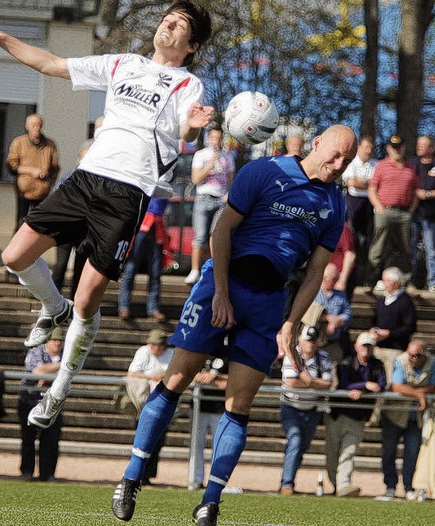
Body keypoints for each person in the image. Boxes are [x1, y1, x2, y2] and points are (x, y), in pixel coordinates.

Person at [0, 0, 215, 438]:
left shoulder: (187, 84)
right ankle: (52, 307)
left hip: (127, 193)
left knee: (88, 300)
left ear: (191, 44)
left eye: (179, 24)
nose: (167, 25)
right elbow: (51, 63)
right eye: (166, 18)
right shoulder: (123, 63)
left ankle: (59, 387)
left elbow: (184, 134)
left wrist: (194, 129)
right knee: (14, 255)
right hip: (85, 181)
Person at [112, 123, 356, 525]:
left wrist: (290, 323)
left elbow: (315, 273)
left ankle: (210, 502)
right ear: (317, 144)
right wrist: (221, 293)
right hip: (221, 284)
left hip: (268, 302)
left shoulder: (334, 203)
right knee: (175, 381)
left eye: (347, 159)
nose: (339, 163)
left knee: (239, 403)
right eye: (335, 153)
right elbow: (221, 229)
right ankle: (132, 477)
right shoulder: (265, 172)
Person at [376, 339, 435, 501]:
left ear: (424, 355)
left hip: (416, 417)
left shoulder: (433, 362)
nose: (412, 359)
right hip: (395, 414)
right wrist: (419, 394)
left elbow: (434, 386)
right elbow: (397, 386)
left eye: (416, 356)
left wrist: (413, 391)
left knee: (412, 454)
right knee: (389, 452)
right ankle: (390, 486)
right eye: (410, 355)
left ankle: (409, 487)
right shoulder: (400, 360)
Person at [325, 332, 386, 498]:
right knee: (332, 454)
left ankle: (344, 485)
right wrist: (364, 384)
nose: (367, 349)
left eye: (370, 345)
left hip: (358, 416)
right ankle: (336, 484)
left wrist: (362, 389)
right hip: (337, 414)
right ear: (357, 347)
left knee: (349, 451)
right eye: (364, 345)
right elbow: (344, 384)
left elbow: (381, 384)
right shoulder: (345, 363)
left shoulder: (377, 365)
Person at [279, 325, 332, 495]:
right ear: (301, 340)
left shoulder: (322, 357)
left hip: (311, 408)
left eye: (313, 340)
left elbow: (328, 384)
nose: (310, 343)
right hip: (291, 407)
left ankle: (288, 478)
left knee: (301, 446)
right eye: (308, 340)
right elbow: (291, 383)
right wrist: (314, 383)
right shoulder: (292, 353)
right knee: (294, 439)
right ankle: (287, 484)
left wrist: (307, 380)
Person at [185, 126, 236, 286]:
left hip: (220, 200)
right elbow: (195, 179)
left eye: (219, 138)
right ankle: (194, 270)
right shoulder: (201, 155)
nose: (216, 141)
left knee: (217, 237)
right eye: (214, 138)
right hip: (204, 198)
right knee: (200, 236)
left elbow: (231, 180)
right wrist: (210, 165)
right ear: (209, 138)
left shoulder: (228, 157)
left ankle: (215, 270)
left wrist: (229, 194)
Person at [127, 329, 175, 485]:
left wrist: (164, 375)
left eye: (157, 345)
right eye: (152, 344)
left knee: (159, 439)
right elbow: (132, 373)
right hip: (144, 401)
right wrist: (151, 376)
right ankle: (139, 472)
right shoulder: (143, 352)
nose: (153, 347)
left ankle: (147, 473)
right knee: (142, 438)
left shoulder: (171, 354)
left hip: (162, 401)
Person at [367, 135, 418, 282]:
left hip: (404, 212)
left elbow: (416, 191)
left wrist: (411, 210)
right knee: (379, 245)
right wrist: (379, 207)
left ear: (403, 148)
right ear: (389, 149)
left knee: (405, 247)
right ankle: (372, 278)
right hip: (385, 210)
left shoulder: (410, 168)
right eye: (393, 148)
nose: (397, 151)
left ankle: (405, 280)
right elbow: (372, 189)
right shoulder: (381, 166)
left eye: (399, 148)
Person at [18, 327, 65, 482]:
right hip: (30, 401)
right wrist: (61, 367)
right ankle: (27, 472)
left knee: (51, 441)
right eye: (54, 340)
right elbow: (37, 370)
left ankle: (48, 474)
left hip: (53, 404)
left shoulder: (66, 355)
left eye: (60, 340)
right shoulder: (36, 351)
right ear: (47, 341)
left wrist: (48, 372)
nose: (57, 343)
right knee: (28, 438)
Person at [50, 137, 96, 298]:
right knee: (60, 266)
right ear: (79, 157)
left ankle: (75, 304)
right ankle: (53, 302)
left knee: (80, 270)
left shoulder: (99, 182)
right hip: (67, 228)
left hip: (86, 231)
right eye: (85, 156)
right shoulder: (68, 177)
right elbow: (56, 199)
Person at [409, 135, 435, 293]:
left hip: (431, 215)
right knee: (410, 249)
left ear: (431, 148)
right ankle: (410, 281)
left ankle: (434, 281)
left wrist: (427, 194)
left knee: (432, 250)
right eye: (418, 144)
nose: (419, 147)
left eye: (423, 145)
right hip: (412, 214)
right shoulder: (411, 164)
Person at [118, 197, 171, 321]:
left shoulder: (164, 180)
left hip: (156, 224)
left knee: (155, 272)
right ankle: (124, 307)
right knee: (130, 270)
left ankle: (153, 308)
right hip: (140, 224)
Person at [7, 113, 60, 230]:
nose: (37, 127)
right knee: (21, 223)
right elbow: (12, 166)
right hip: (23, 192)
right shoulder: (19, 142)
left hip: (42, 192)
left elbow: (55, 168)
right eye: (34, 125)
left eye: (39, 125)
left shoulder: (50, 145)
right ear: (27, 126)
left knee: (38, 225)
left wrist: (49, 182)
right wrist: (31, 171)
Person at [368, 266, 417, 385]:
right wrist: (374, 331)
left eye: (386, 281)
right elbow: (375, 321)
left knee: (391, 384)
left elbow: (410, 327)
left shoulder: (406, 301)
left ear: (396, 283)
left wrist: (390, 333)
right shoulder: (381, 300)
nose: (383, 283)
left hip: (395, 351)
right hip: (378, 349)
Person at [188, 354, 228, 491]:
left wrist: (214, 377)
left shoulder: (227, 354)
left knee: (219, 447)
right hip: (199, 406)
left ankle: (216, 482)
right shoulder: (199, 353)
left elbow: (233, 379)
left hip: (221, 408)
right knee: (196, 445)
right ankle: (195, 480)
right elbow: (190, 374)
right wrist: (214, 380)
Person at [342, 135, 377, 267]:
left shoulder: (375, 163)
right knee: (352, 234)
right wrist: (369, 183)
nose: (368, 151)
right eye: (366, 147)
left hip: (370, 201)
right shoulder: (351, 162)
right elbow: (351, 183)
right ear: (359, 148)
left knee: (369, 236)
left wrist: (362, 182)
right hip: (354, 200)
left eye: (370, 148)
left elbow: (376, 184)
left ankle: (365, 266)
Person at [314, 262, 351, 361]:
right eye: (333, 279)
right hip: (314, 341)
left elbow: (348, 314)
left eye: (336, 278)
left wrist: (337, 320)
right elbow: (308, 314)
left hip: (333, 342)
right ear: (324, 279)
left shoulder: (341, 295)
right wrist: (327, 318)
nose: (336, 282)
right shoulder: (314, 293)